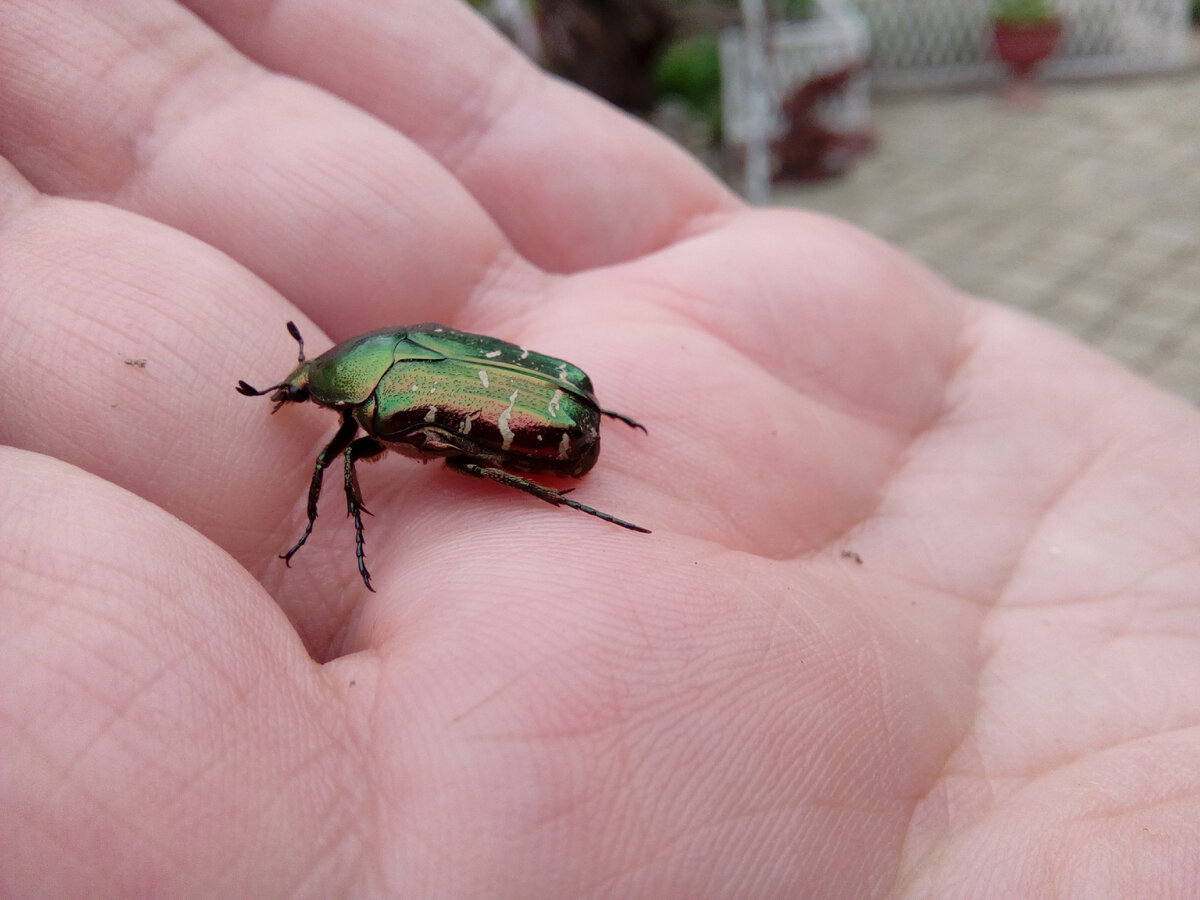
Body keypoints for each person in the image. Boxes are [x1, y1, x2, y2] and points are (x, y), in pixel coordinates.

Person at [1, 2, 1196, 896]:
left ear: (342, 391)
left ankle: (556, 497)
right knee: (427, 449)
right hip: (563, 400)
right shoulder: (381, 370)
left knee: (425, 466)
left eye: (311, 390)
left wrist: (335, 526)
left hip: (553, 435)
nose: (314, 409)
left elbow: (357, 463)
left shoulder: (377, 407)